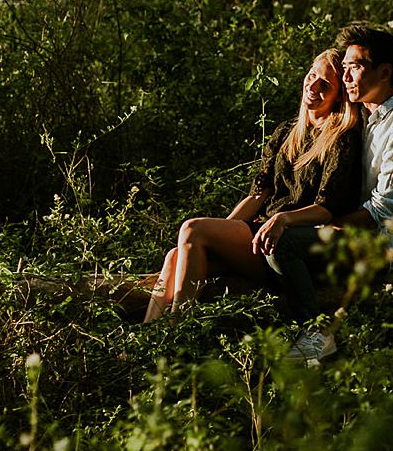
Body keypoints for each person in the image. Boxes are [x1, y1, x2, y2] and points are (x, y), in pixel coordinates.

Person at [144, 48, 364, 321]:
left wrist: (283, 219)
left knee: (192, 228)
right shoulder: (287, 131)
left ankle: (176, 329)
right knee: (176, 254)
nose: (313, 86)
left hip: (289, 245)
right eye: (312, 76)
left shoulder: (340, 139)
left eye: (326, 85)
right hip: (259, 233)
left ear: (339, 96)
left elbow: (327, 208)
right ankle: (150, 340)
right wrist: (221, 233)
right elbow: (259, 194)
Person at [272, 23, 393, 362]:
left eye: (355, 66)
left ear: (385, 72)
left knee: (285, 242)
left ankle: (315, 335)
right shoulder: (364, 116)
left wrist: (319, 227)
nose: (345, 77)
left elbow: (380, 213)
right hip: (347, 231)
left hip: (376, 246)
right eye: (344, 68)